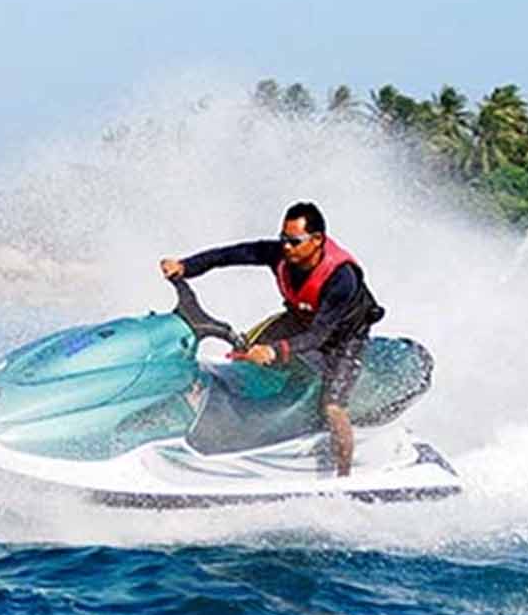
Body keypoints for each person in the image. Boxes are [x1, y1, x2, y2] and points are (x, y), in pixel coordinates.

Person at [159, 201, 383, 476]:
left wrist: (276, 351)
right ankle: (239, 428)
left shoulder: (341, 278)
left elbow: (319, 335)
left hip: (343, 336)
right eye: (283, 239)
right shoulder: (281, 254)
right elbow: (232, 254)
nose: (286, 247)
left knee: (333, 407)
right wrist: (186, 266)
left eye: (294, 241)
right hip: (301, 318)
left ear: (316, 240)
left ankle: (344, 478)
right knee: (245, 350)